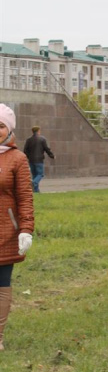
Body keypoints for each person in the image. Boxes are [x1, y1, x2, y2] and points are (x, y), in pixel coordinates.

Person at [0, 104, 34, 351]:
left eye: (1, 125)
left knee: (1, 283)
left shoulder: (18, 159)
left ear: (9, 129)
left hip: (5, 231)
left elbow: (24, 196)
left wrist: (25, 229)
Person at [24, 125, 55, 193]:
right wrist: (51, 155)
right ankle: (34, 183)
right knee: (40, 174)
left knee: (35, 175)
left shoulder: (28, 140)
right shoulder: (42, 139)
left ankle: (36, 191)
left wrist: (29, 157)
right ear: (38, 131)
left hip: (31, 160)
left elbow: (25, 150)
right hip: (39, 160)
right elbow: (46, 149)